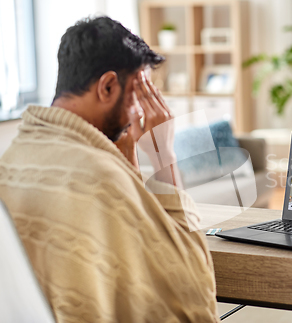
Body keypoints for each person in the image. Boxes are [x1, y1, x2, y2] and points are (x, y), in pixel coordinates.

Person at [0, 16, 219, 322]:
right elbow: (191, 292)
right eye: (139, 94)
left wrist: (127, 155)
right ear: (107, 86)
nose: (141, 111)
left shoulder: (11, 158)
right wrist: (163, 153)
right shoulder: (100, 178)